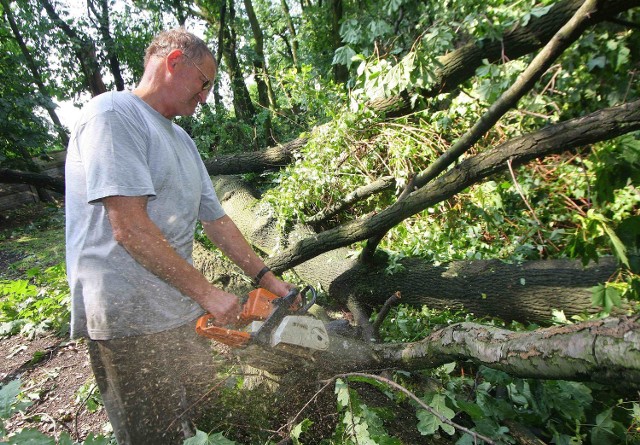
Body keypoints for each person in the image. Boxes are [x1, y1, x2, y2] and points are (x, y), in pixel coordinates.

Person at [65, 28, 293, 444]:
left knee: (200, 418)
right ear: (173, 62)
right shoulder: (114, 115)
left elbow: (217, 221)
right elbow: (129, 228)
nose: (205, 96)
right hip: (128, 318)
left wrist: (268, 280)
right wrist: (208, 293)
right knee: (153, 435)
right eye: (203, 83)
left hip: (178, 309)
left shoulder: (182, 140)